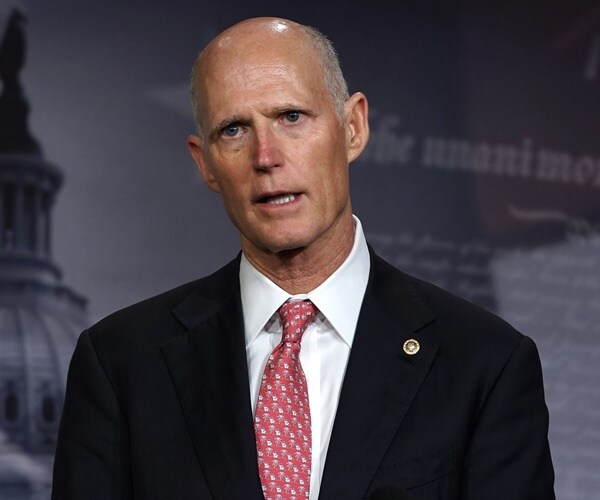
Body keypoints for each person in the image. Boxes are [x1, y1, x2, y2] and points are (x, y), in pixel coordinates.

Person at [52, 17, 555, 500]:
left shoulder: (484, 364)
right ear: (204, 163)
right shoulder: (121, 365)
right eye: (233, 130)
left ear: (353, 126)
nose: (266, 156)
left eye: (291, 117)